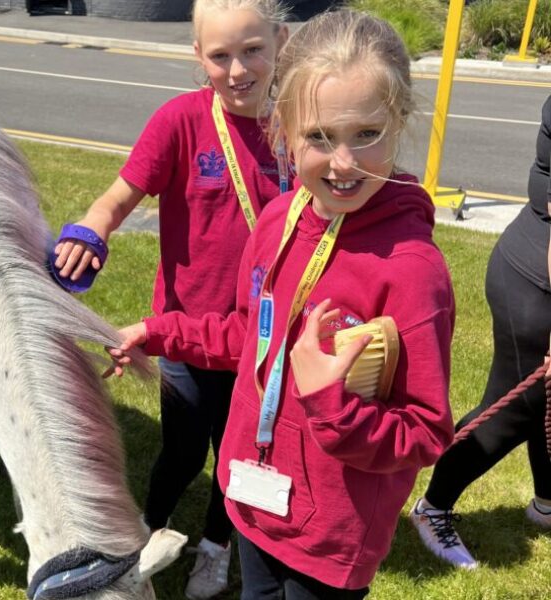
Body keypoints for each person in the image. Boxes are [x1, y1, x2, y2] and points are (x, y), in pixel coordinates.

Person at [106, 10, 456, 599]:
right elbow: (250, 335)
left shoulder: (413, 272)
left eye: (366, 134)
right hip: (253, 498)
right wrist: (160, 331)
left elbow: (425, 431)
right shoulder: (277, 220)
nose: (343, 162)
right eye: (318, 137)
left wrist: (331, 406)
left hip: (331, 537)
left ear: (399, 121)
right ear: (284, 131)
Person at [51, 1, 289, 597]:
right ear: (198, 56)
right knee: (182, 452)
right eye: (220, 56)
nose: (238, 70)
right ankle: (142, 535)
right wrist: (93, 228)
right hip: (184, 335)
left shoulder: (297, 126)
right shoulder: (181, 122)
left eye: (253, 50)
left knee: (241, 456)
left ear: (281, 41)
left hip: (263, 340)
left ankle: (216, 547)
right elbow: (118, 197)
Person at [410, 95, 551, 569]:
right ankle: (433, 507)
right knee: (515, 407)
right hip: (536, 286)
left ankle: (546, 504)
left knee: (544, 400)